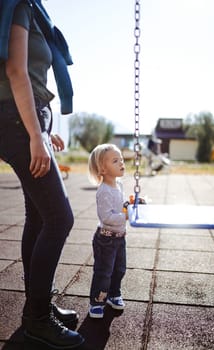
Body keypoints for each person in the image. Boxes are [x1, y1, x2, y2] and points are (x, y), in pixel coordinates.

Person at [0, 0, 84, 348]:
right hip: (17, 119)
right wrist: (35, 134)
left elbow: (31, 77)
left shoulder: (32, 9)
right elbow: (16, 71)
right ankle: (36, 319)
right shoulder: (16, 4)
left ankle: (38, 305)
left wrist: (44, 130)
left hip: (30, 117)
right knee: (59, 218)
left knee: (38, 215)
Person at [88, 144, 127, 318]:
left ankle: (113, 295)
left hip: (119, 238)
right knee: (104, 272)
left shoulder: (119, 185)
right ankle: (97, 301)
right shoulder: (104, 191)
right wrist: (126, 215)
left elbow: (121, 206)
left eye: (122, 159)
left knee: (119, 269)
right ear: (102, 169)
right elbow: (107, 218)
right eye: (115, 160)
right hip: (106, 240)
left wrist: (131, 204)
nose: (121, 163)